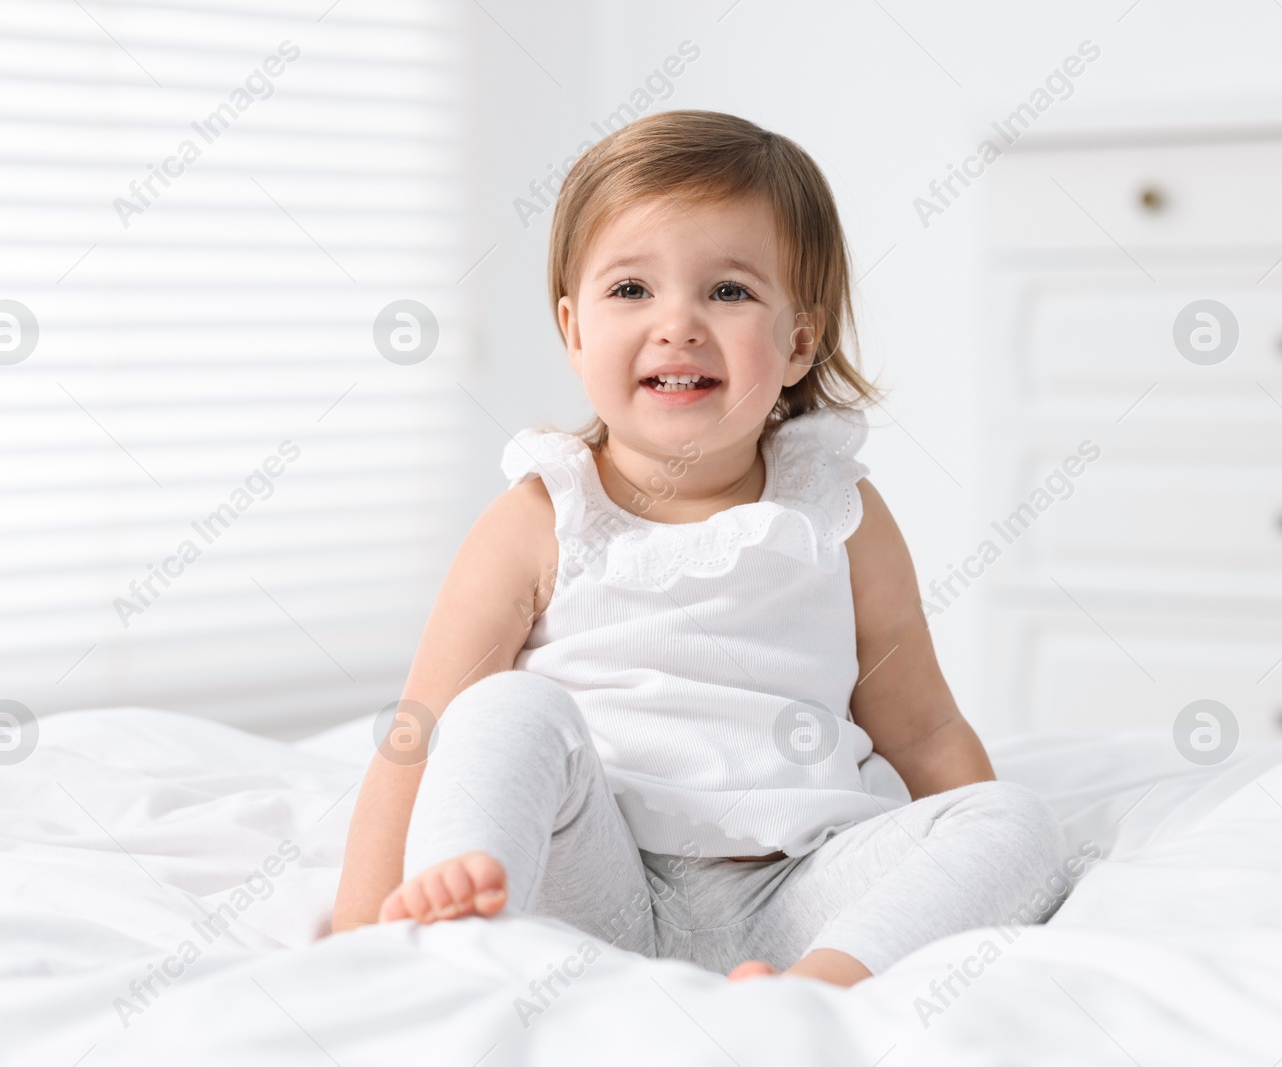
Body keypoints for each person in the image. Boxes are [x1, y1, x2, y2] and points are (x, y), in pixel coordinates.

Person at [330, 109, 1064, 986]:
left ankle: (816, 990)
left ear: (798, 342)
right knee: (503, 713)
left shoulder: (836, 511)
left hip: (798, 891)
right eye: (632, 290)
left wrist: (963, 839)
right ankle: (451, 937)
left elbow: (926, 726)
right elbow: (419, 732)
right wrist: (351, 946)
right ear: (573, 329)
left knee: (1013, 821)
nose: (677, 323)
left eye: (728, 291)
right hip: (598, 884)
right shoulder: (541, 516)